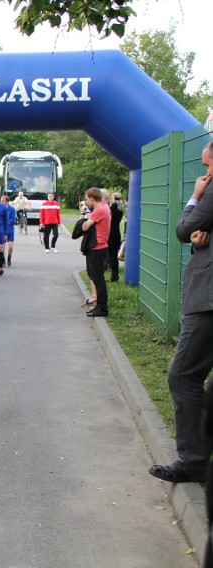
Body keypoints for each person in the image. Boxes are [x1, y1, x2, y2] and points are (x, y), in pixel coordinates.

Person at [149, 141, 213, 485]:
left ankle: (192, 461)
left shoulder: (211, 190)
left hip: (208, 301)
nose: (205, 175)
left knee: (183, 375)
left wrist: (194, 197)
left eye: (208, 167)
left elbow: (183, 228)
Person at [80, 187, 110, 318]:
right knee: (96, 278)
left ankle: (102, 308)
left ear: (92, 198)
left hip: (97, 248)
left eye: (87, 199)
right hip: (98, 247)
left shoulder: (99, 210)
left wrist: (85, 224)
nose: (86, 202)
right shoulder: (104, 208)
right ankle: (99, 306)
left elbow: (85, 226)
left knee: (98, 279)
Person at [108, 192, 124, 282]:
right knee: (113, 255)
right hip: (116, 233)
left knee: (112, 256)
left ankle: (114, 275)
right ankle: (114, 274)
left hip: (111, 234)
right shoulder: (120, 208)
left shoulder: (113, 208)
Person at [1, 195, 17, 266]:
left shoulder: (12, 209)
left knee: (10, 246)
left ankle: (9, 257)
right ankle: (3, 259)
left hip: (10, 230)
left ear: (7, 201)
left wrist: (6, 221)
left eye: (2, 201)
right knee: (2, 246)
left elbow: (14, 219)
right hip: (3, 230)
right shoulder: (0, 209)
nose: (1, 202)